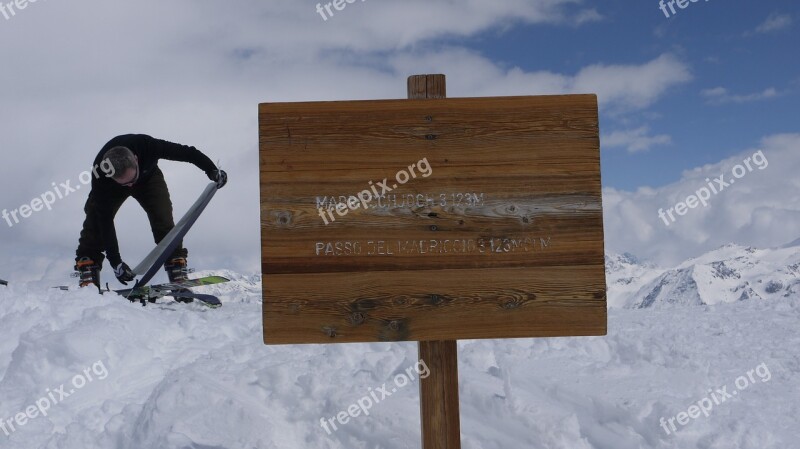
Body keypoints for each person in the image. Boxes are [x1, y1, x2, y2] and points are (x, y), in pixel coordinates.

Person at [74, 134, 227, 289]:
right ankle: (88, 266)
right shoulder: (100, 175)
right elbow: (105, 221)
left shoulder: (148, 146)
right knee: (94, 222)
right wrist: (116, 262)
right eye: (124, 183)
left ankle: (176, 264)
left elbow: (188, 153)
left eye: (131, 180)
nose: (129, 186)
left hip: (148, 180)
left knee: (163, 218)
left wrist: (212, 170)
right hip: (111, 190)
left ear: (136, 158)